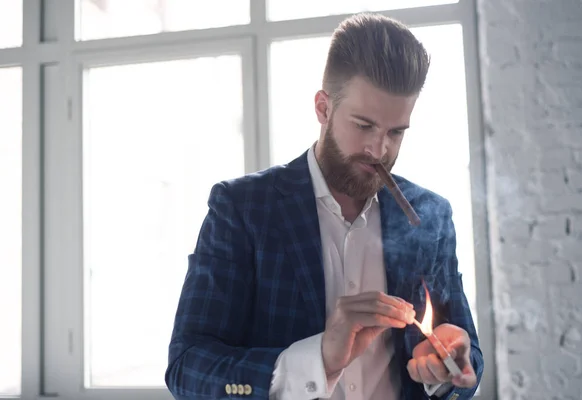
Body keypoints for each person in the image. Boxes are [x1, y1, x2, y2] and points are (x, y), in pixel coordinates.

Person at [166, 12, 483, 400]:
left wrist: (447, 367)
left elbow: (468, 361)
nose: (379, 149)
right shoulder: (243, 209)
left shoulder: (430, 218)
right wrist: (319, 359)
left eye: (396, 131)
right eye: (364, 125)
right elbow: (187, 368)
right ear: (323, 108)